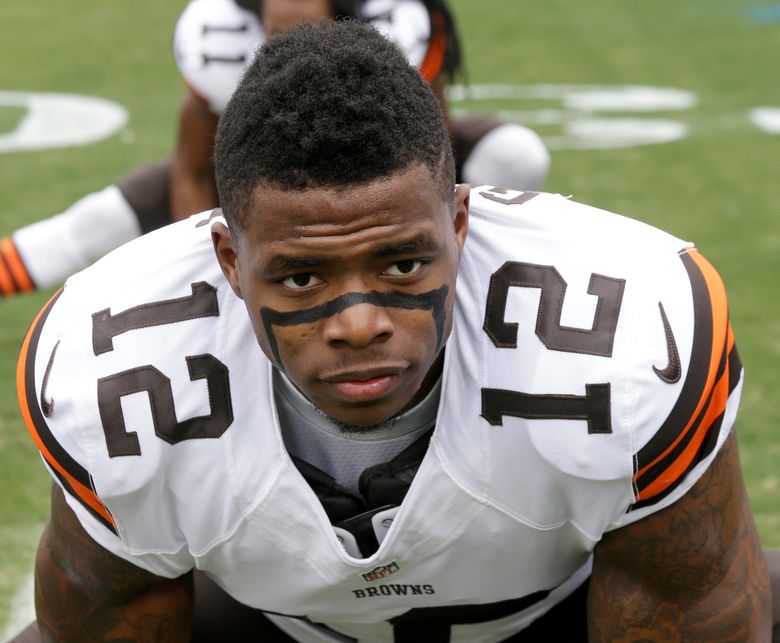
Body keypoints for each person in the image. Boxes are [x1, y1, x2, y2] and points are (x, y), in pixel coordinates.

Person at [12, 19, 777, 643]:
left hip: (555, 615)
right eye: (303, 276)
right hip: (277, 626)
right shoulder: (118, 369)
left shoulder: (625, 338)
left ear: (461, 220)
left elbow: (695, 613)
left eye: (404, 263)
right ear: (227, 259)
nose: (358, 323)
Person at [0, 0, 549, 297]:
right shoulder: (218, 44)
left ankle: (484, 275)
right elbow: (194, 168)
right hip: (261, 167)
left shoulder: (400, 26)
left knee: (516, 154)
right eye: (278, 28)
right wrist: (213, 277)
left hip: (385, 162)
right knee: (99, 218)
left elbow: (435, 151)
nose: (294, 46)